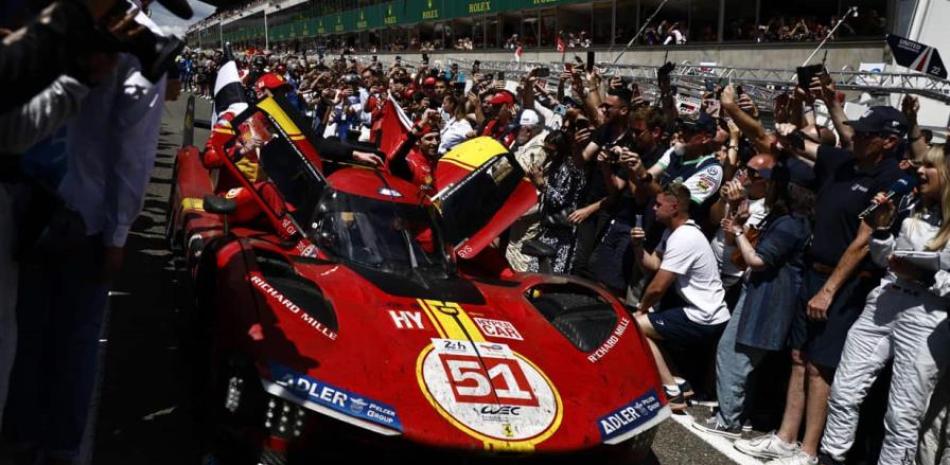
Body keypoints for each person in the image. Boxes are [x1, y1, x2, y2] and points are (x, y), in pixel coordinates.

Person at [737, 106, 907, 465]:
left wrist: (829, 289)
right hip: (812, 271)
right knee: (799, 358)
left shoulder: (890, 177)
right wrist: (786, 130)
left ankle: (809, 450)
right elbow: (801, 146)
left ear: (888, 142)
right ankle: (785, 438)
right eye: (856, 132)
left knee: (820, 366)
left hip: (845, 283)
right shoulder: (842, 162)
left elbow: (862, 242)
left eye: (865, 134)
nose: (856, 137)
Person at [818, 144, 950, 465]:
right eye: (920, 166)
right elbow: (882, 259)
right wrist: (881, 227)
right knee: (844, 390)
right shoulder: (910, 203)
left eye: (930, 167)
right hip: (884, 301)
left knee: (902, 415)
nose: (920, 171)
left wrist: (923, 274)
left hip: (926, 316)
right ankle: (830, 458)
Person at [693, 157, 813, 437]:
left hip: (768, 296)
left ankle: (729, 420)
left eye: (773, 181)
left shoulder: (791, 224)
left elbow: (757, 260)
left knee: (734, 353)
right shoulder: (789, 219)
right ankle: (736, 414)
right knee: (742, 356)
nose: (768, 185)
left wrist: (737, 231)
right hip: (765, 293)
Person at [630, 182, 730, 412]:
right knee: (648, 326)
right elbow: (653, 264)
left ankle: (671, 391)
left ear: (674, 207)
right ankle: (679, 382)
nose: (653, 208)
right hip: (698, 311)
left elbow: (658, 286)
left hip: (705, 316)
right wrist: (637, 246)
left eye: (658, 204)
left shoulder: (685, 237)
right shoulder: (672, 232)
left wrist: (641, 308)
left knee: (636, 325)